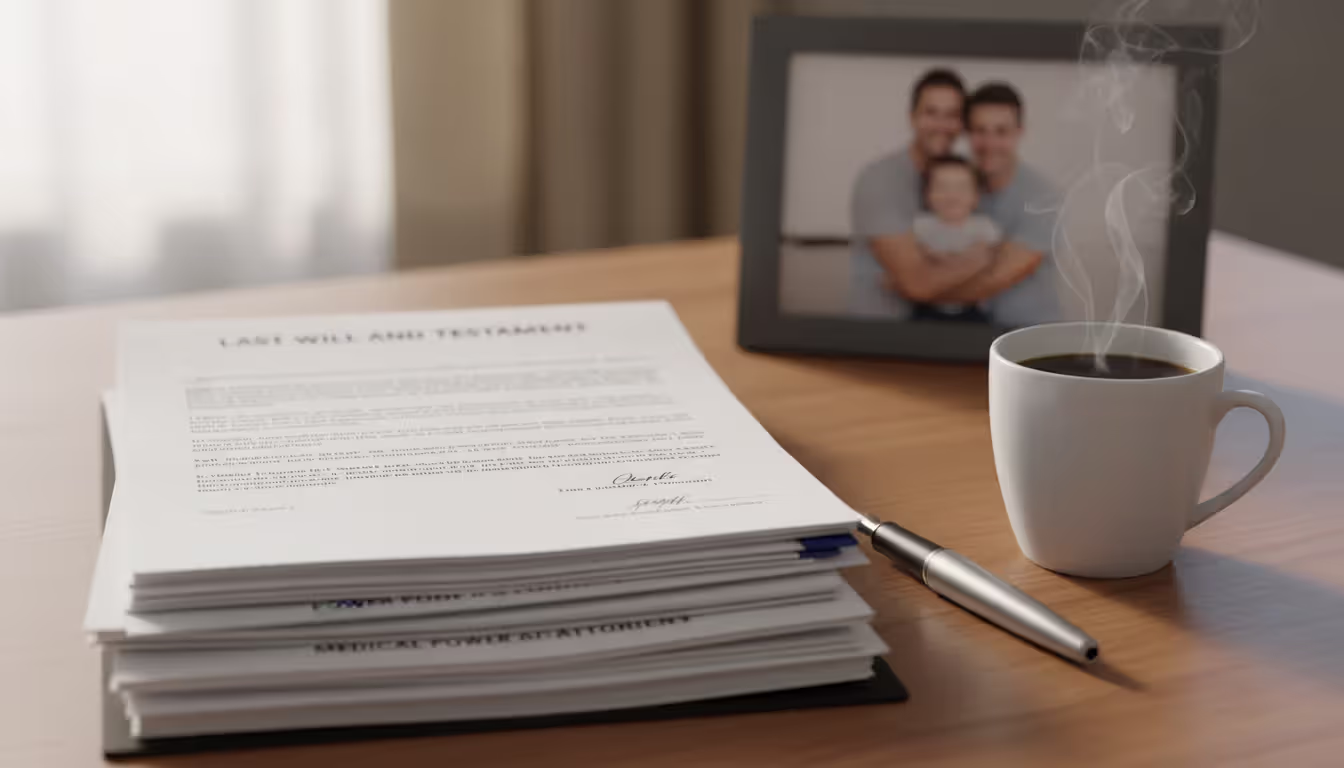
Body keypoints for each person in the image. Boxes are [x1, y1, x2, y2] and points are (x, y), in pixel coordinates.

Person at [849, 68, 988, 319]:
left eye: (951, 115)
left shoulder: (962, 176)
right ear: (912, 117)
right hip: (880, 328)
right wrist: (979, 260)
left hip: (935, 325)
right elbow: (917, 283)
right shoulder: (880, 180)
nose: (941, 125)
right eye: (931, 113)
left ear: (962, 124)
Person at [910, 155, 1002, 322]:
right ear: (927, 194)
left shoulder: (983, 226)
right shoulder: (920, 225)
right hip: (926, 306)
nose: (951, 195)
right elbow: (913, 261)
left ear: (976, 196)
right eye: (942, 187)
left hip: (971, 306)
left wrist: (942, 260)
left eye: (961, 188)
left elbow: (986, 257)